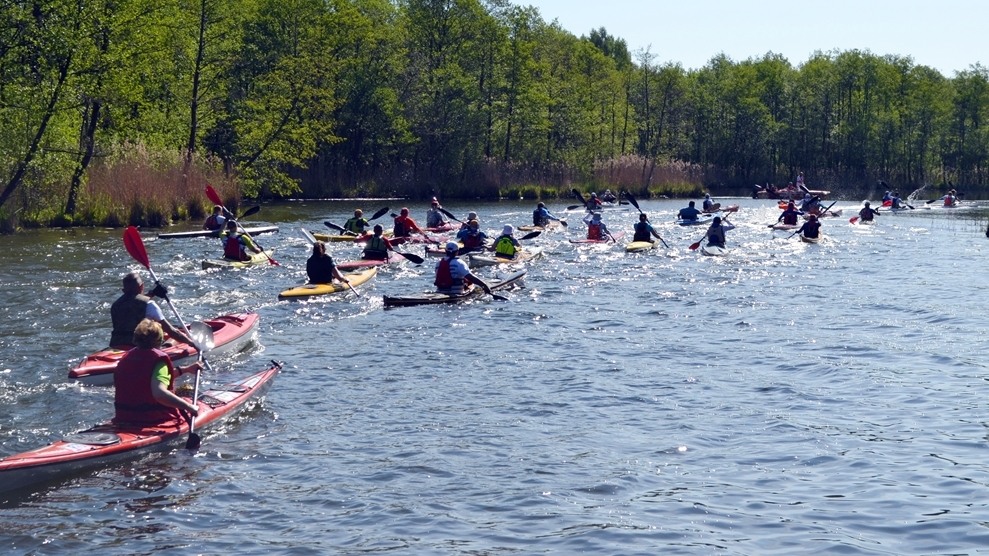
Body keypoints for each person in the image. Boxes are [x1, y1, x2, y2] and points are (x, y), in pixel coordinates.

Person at [113, 319, 201, 426]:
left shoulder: (127, 358)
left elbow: (147, 378)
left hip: (124, 417)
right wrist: (189, 407)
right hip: (154, 419)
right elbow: (159, 393)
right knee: (188, 396)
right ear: (159, 341)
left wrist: (185, 369)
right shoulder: (158, 360)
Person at [110, 272, 195, 348]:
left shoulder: (115, 305)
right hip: (141, 347)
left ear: (123, 290)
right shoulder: (150, 305)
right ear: (142, 286)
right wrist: (191, 343)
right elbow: (171, 332)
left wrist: (153, 293)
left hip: (116, 344)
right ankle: (167, 347)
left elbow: (132, 301)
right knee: (174, 334)